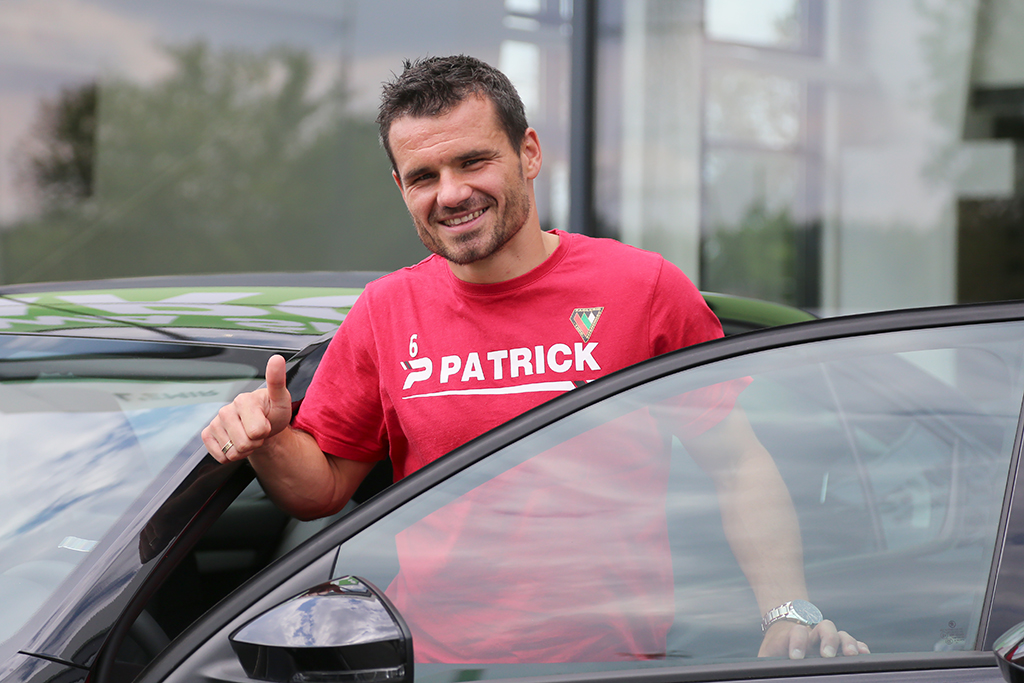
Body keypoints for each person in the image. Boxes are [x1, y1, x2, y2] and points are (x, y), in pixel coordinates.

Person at [202, 54, 868, 662]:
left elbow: (738, 464)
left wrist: (787, 612)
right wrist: (267, 438)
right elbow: (318, 493)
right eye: (424, 176)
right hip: (435, 666)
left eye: (473, 161)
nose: (450, 193)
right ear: (400, 184)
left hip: (611, 668)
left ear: (528, 153)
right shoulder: (385, 310)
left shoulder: (642, 288)